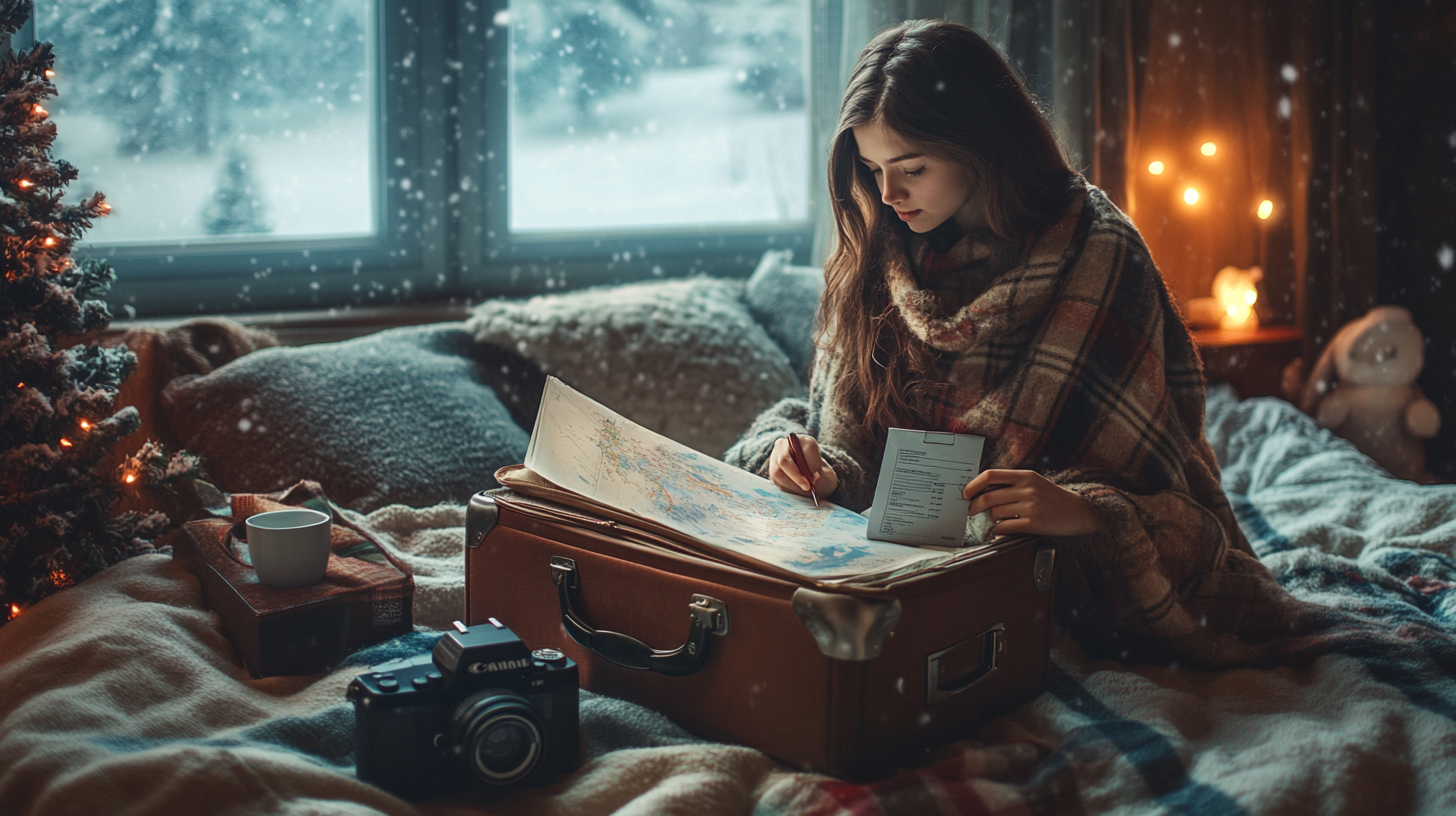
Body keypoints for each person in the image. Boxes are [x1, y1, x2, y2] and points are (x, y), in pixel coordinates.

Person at [724, 19, 1295, 668]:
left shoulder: (1098, 250)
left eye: (912, 167)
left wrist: (1085, 513)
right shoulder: (873, 247)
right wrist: (813, 467)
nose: (888, 193)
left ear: (982, 148)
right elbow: (849, 438)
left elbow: (1165, 490)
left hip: (1052, 576)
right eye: (874, 166)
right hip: (903, 569)